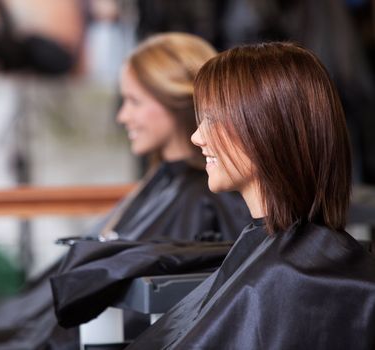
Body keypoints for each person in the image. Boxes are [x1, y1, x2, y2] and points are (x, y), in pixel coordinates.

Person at [0, 33, 250, 350]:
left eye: (134, 102)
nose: (123, 116)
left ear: (174, 101)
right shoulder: (163, 186)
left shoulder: (201, 200)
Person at [125, 42, 375, 349]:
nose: (197, 137)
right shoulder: (281, 262)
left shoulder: (296, 279)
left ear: (266, 128)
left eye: (213, 120)